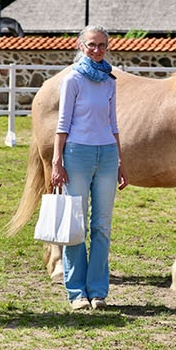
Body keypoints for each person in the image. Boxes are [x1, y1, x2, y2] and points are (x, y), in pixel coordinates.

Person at [52, 25, 130, 310]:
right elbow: (62, 123)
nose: (97, 50)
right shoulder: (72, 79)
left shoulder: (110, 81)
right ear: (81, 45)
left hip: (107, 155)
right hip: (77, 155)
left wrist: (120, 160)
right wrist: (56, 161)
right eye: (92, 45)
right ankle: (76, 292)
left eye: (102, 45)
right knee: (76, 225)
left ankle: (97, 291)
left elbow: (113, 123)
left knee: (102, 226)